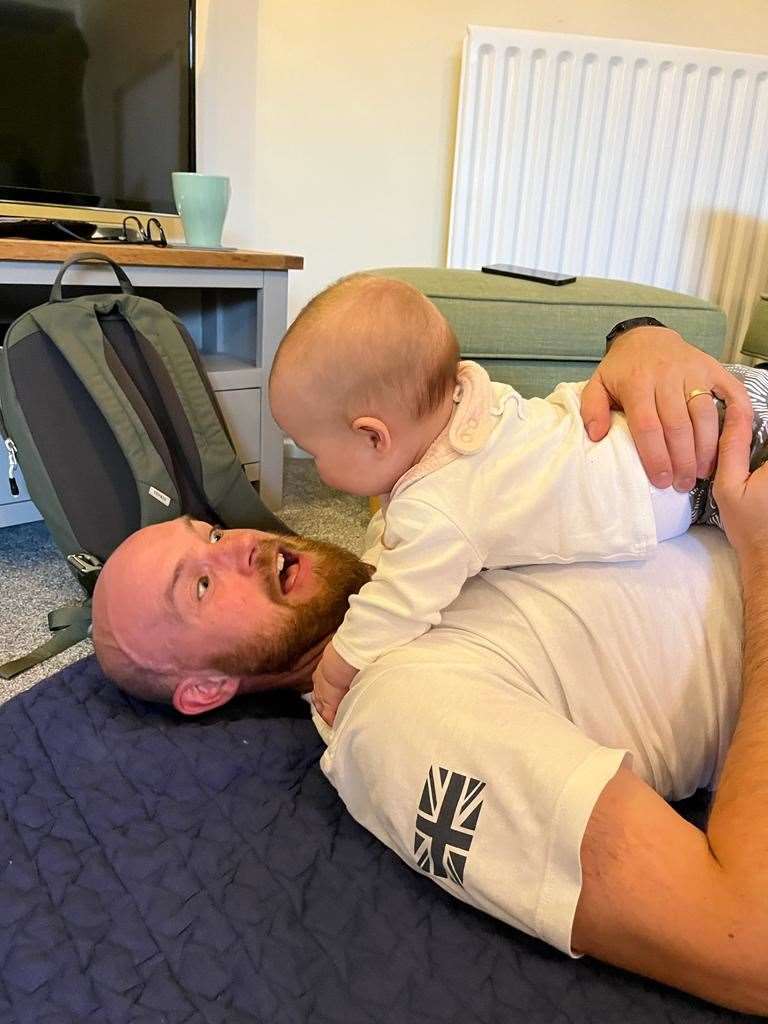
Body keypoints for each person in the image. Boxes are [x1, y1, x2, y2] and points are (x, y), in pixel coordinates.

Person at [91, 327, 768, 1014]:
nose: (235, 545)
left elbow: (505, 434)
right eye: (199, 587)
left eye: (208, 533)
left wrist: (639, 348)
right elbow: (750, 945)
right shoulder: (394, 718)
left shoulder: (395, 543)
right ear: (207, 687)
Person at [268, 275, 768, 725]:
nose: (316, 470)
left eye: (312, 453)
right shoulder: (472, 392)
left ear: (375, 437)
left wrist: (337, 668)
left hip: (691, 468)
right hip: (691, 398)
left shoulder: (435, 508)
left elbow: (399, 603)